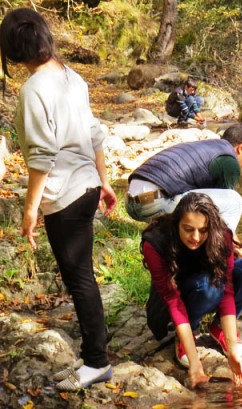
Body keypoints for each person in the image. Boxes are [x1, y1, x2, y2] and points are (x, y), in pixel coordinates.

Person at [0, 8, 117, 391]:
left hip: (63, 194)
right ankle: (95, 353)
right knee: (81, 274)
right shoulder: (71, 76)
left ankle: (97, 361)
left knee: (78, 276)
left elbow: (41, 155)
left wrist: (30, 208)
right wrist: (105, 182)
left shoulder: (35, 89)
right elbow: (95, 133)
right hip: (85, 187)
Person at [141, 192, 242, 388]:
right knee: (207, 287)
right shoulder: (155, 243)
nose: (196, 237)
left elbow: (227, 292)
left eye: (203, 230)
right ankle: (187, 334)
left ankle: (219, 328)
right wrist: (195, 363)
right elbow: (172, 299)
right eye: (188, 229)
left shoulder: (221, 234)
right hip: (179, 295)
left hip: (210, 285)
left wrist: (233, 349)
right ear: (177, 224)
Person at [125, 123, 242, 242]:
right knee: (235, 200)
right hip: (154, 204)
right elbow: (223, 211)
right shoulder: (229, 161)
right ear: (241, 148)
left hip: (132, 203)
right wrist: (237, 244)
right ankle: (226, 247)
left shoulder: (209, 146)